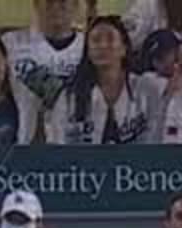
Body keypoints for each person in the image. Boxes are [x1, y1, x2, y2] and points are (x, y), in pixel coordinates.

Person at [47, 14, 159, 143]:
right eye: (96, 40)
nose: (103, 45)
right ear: (88, 51)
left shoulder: (146, 88)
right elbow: (56, 144)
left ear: (124, 48)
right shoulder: (68, 96)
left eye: (110, 39)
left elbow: (159, 137)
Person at [6, 0, 85, 109]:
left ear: (75, 5)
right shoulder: (10, 43)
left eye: (63, 1)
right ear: (36, 4)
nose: (55, 7)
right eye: (49, 1)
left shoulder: (91, 47)